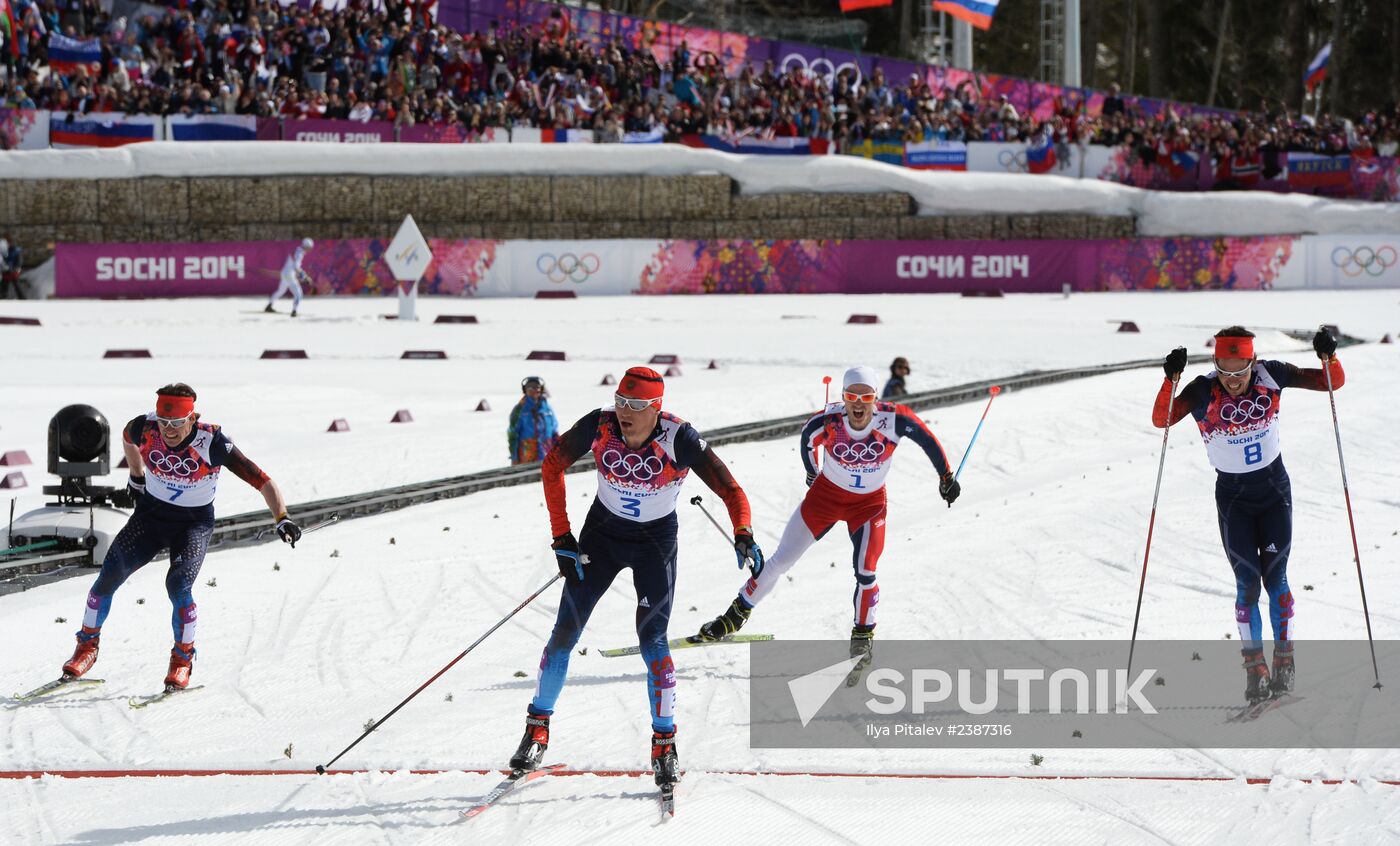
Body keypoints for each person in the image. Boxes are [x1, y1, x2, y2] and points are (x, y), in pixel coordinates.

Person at [507, 367, 763, 789]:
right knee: (564, 634)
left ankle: (664, 742)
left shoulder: (679, 437)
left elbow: (731, 491)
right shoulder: (600, 423)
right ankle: (537, 729)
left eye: (637, 406)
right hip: (601, 537)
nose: (625, 412)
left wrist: (743, 532)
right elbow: (552, 466)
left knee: (653, 642)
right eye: (622, 402)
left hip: (654, 545)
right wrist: (561, 537)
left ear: (656, 409)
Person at [695, 366, 959, 673]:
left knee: (866, 570)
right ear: (843, 398)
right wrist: (812, 472)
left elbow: (927, 439)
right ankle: (734, 615)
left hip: (869, 505)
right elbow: (807, 440)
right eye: (851, 396)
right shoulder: (828, 420)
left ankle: (862, 637)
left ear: (876, 398)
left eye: (867, 397)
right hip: (826, 499)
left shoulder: (894, 419)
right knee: (781, 560)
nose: (858, 404)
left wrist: (946, 477)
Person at [59, 384, 302, 691]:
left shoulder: (212, 441)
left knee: (177, 586)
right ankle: (86, 648)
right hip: (150, 517)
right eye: (163, 422)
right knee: (108, 578)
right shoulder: (145, 428)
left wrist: (282, 518)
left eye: (176, 423)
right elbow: (126, 436)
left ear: (192, 417)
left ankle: (182, 660)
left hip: (193, 524)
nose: (168, 431)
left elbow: (263, 481)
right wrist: (136, 476)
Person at [1153, 326, 1344, 704]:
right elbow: (1162, 419)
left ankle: (1284, 661)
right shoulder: (1201, 391)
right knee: (1247, 586)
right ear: (1216, 364)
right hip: (1234, 502)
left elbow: (1331, 382)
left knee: (1276, 582)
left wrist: (1328, 356)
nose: (1235, 380)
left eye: (1241, 371)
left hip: (1274, 494)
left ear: (1252, 363)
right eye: (1226, 370)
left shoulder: (1272, 374)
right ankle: (1255, 667)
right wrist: (1168, 381)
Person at [508, 376, 560, 464]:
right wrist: (514, 457)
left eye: (537, 387)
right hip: (527, 453)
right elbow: (512, 434)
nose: (534, 389)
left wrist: (558, 449)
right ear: (525, 390)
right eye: (530, 387)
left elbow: (554, 430)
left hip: (546, 451)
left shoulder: (547, 409)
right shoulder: (519, 410)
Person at [266, 238, 313, 317]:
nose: (310, 250)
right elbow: (296, 267)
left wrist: (303, 276)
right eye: (310, 248)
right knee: (298, 294)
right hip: (289, 275)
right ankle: (294, 311)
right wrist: (305, 277)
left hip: (284, 274)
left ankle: (269, 305)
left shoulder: (297, 250)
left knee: (280, 291)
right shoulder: (300, 253)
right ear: (306, 246)